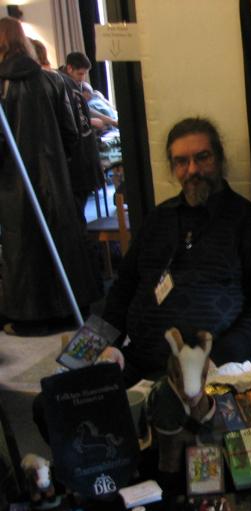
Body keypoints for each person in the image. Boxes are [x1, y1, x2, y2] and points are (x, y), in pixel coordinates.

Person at [99, 116, 251, 385]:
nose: (192, 170)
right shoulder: (157, 219)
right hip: (141, 365)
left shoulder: (248, 221)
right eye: (181, 161)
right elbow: (122, 290)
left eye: (202, 157)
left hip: (217, 370)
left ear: (219, 159)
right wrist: (105, 345)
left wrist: (221, 355)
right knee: (61, 399)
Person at [0, 17, 102, 335]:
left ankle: (30, 318)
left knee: (23, 252)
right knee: (62, 243)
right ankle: (70, 309)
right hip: (56, 181)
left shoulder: (3, 86)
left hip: (13, 186)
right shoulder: (54, 81)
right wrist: (57, 163)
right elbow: (72, 134)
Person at [59, 51, 104, 221]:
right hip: (77, 157)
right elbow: (76, 123)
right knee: (76, 211)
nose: (83, 78)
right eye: (80, 73)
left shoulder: (71, 86)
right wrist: (92, 122)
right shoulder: (65, 87)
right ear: (69, 68)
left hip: (80, 156)